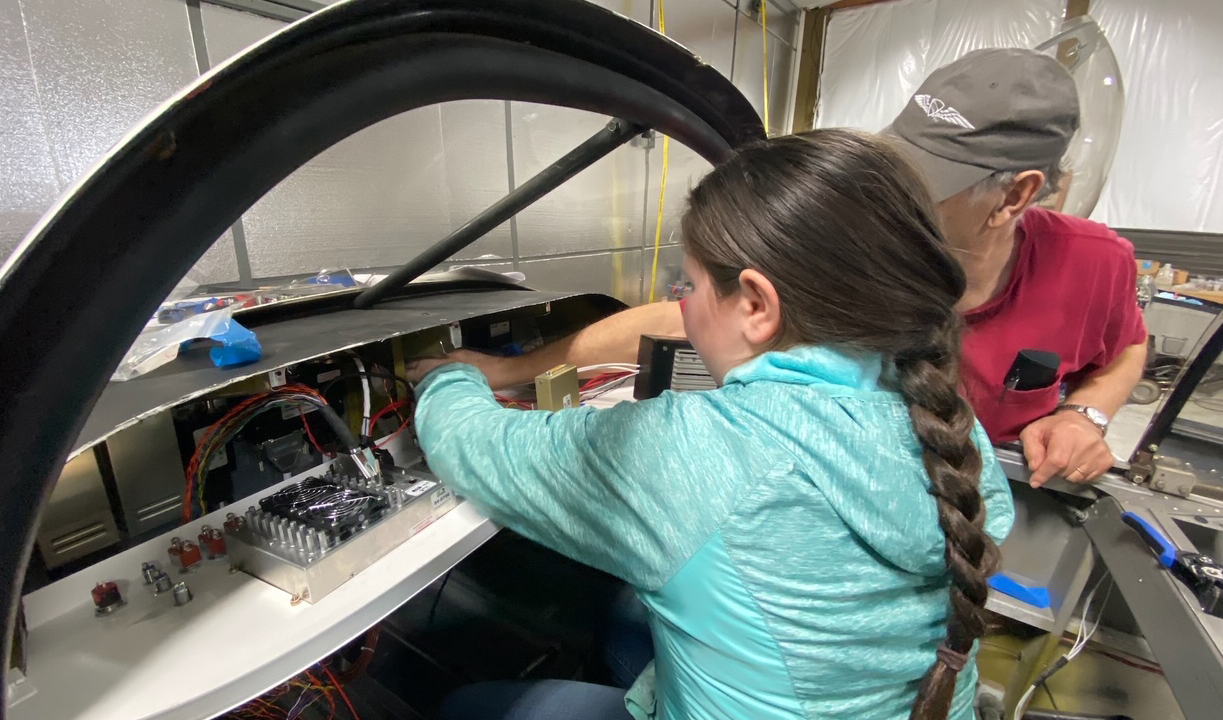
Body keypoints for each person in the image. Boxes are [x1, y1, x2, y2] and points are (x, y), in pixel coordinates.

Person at [407, 129, 1014, 720]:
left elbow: (472, 444)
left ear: (756, 304)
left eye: (689, 286)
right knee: (625, 617)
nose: (683, 306)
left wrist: (446, 377)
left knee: (467, 707)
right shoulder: (949, 427)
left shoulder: (696, 452)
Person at [444, 48, 1147, 490]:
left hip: (983, 521)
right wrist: (508, 370)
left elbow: (1125, 351)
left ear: (1016, 195)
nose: (890, 197)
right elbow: (682, 316)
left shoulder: (1096, 263)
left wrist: (1085, 414)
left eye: (925, 181)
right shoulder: (856, 238)